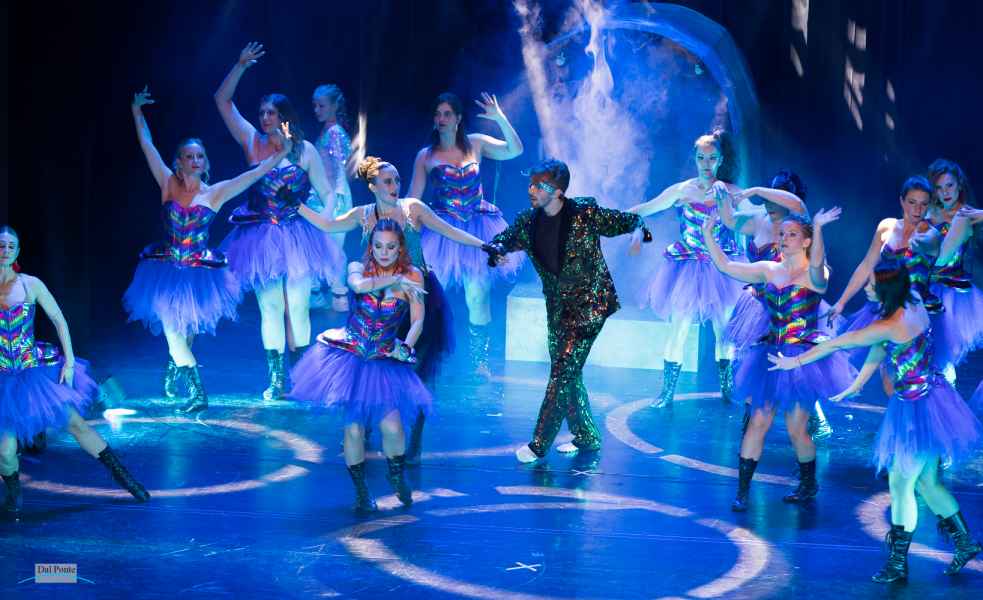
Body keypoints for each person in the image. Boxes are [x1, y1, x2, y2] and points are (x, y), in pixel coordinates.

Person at [769, 259, 982, 582]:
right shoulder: (913, 302)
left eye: (872, 284)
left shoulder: (891, 323)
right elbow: (881, 349)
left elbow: (840, 342)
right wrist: (855, 385)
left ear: (886, 289)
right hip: (932, 399)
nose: (867, 288)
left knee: (901, 484)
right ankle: (965, 543)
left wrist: (794, 361)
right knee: (927, 481)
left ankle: (898, 563)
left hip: (917, 409)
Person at [298, 156, 489, 462]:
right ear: (373, 186)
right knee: (370, 366)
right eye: (387, 181)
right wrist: (296, 205)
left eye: (397, 180)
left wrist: (484, 245)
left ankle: (415, 437)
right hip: (376, 302)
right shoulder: (363, 215)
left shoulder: (413, 209)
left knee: (416, 371)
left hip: (415, 297)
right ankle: (364, 429)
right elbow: (327, 224)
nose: (394, 186)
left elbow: (449, 230)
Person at [124, 87, 292, 412]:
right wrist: (136, 111)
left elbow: (255, 173)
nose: (195, 161)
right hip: (165, 270)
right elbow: (147, 145)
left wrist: (282, 152)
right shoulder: (167, 182)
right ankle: (198, 393)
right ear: (179, 161)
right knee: (174, 332)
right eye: (189, 156)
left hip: (198, 274)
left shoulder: (215, 193)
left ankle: (176, 366)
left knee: (184, 331)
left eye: (200, 156)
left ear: (205, 162)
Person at [484, 159, 652, 463]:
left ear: (558, 191)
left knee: (562, 372)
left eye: (539, 185)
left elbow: (629, 220)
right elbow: (503, 240)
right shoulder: (528, 221)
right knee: (569, 374)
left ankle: (538, 444)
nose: (531, 190)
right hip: (558, 310)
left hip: (590, 306)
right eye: (531, 183)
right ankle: (586, 436)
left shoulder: (584, 212)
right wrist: (496, 253)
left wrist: (640, 232)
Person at [214, 43, 345, 399]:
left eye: (271, 112)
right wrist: (240, 65)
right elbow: (222, 102)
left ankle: (302, 376)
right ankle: (276, 379)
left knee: (298, 306)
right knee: (270, 307)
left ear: (285, 116)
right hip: (260, 237)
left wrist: (325, 221)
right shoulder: (252, 142)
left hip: (298, 237)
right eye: (262, 112)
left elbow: (328, 192)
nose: (264, 117)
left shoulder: (305, 150)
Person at [702, 209, 854, 511]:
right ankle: (742, 492)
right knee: (758, 421)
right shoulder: (769, 269)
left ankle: (808, 484)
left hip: (802, 359)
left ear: (806, 241)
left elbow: (818, 265)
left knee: (797, 429)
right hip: (770, 355)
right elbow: (726, 265)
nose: (784, 239)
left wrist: (819, 228)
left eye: (792, 234)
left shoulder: (816, 274)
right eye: (782, 234)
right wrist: (708, 234)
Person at [1, 227, 149, 519]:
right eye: (0, 245)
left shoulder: (31, 284)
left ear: (17, 252)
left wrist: (69, 361)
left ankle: (124, 478)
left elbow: (58, 319)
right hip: (3, 378)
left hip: (33, 375)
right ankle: (14, 490)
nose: (4, 250)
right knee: (5, 452)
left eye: (10, 246)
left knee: (76, 424)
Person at [289, 219, 431, 514]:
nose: (384, 252)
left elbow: (418, 319)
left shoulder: (413, 275)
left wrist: (406, 346)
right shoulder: (358, 268)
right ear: (371, 246)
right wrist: (395, 280)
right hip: (351, 355)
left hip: (384, 356)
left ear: (400, 248)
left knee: (392, 426)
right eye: (378, 246)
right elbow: (358, 286)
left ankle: (396, 476)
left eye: (390, 247)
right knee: (353, 427)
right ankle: (362, 492)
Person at [408, 92, 523, 379]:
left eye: (447, 114)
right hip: (442, 232)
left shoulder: (476, 144)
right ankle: (424, 354)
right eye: (438, 114)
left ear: (458, 118)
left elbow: (515, 149)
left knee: (477, 295)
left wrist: (499, 118)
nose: (441, 119)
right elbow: (412, 200)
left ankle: (479, 362)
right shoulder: (426, 156)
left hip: (478, 226)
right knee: (431, 294)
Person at [628, 130, 745, 408]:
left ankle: (728, 389)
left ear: (721, 159)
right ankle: (667, 392)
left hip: (722, 266)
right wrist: (606, 219)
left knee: (724, 330)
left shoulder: (731, 191)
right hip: (688, 267)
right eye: (701, 158)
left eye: (712, 158)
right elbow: (647, 208)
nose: (706, 164)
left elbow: (755, 217)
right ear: (695, 159)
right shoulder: (683, 190)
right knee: (679, 328)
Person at [719, 170, 833, 439]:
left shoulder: (799, 224)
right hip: (758, 303)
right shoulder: (758, 220)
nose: (769, 205)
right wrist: (721, 195)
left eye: (774, 199)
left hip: (790, 306)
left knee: (793, 364)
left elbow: (797, 204)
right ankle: (751, 420)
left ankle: (816, 419)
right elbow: (729, 220)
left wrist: (757, 190)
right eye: (767, 200)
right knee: (754, 360)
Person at [829, 176, 941, 345]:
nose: (917, 209)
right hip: (885, 306)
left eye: (923, 204)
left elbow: (928, 242)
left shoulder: (931, 235)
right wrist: (841, 302)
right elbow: (867, 265)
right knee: (873, 356)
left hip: (913, 313)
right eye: (912, 202)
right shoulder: (887, 226)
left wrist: (917, 241)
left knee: (906, 359)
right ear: (902, 201)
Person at [925, 159, 983, 374]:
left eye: (949, 185)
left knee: (944, 351)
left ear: (959, 184)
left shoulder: (967, 214)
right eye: (939, 188)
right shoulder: (929, 211)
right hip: (925, 285)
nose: (945, 192)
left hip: (954, 293)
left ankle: (945, 384)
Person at [309, 83, 354, 312]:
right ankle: (318, 292)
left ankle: (338, 295)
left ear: (334, 106)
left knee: (332, 248)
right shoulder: (328, 131)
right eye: (315, 106)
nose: (316, 110)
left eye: (321, 106)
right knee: (318, 246)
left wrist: (334, 200)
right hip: (323, 196)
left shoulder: (335, 133)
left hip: (333, 197)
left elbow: (339, 169)